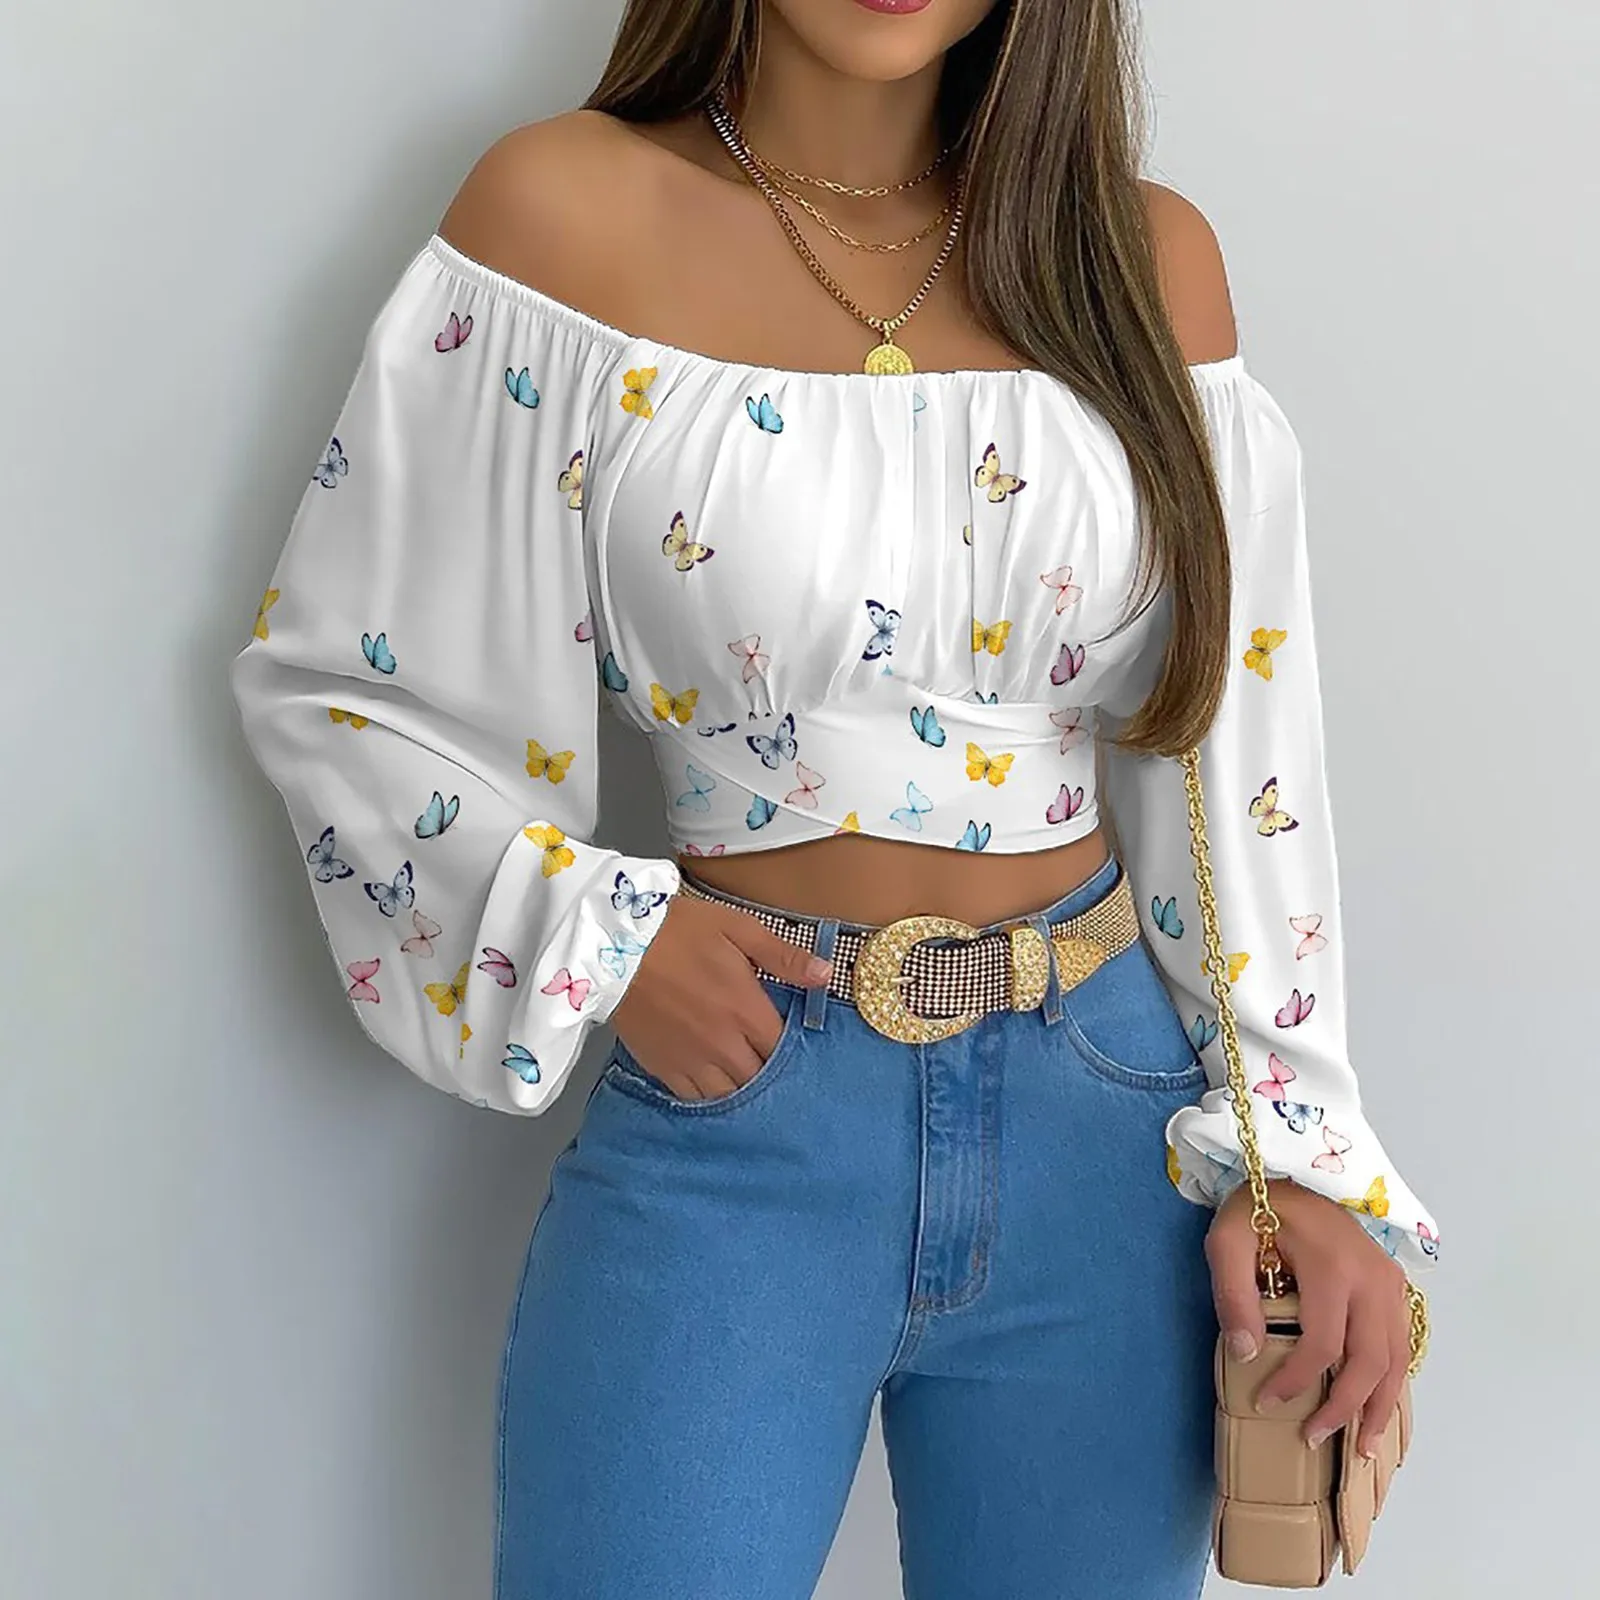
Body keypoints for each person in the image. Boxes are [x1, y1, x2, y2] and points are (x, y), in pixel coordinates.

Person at [230, 2, 1440, 1595]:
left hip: (1110, 1126)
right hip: (746, 1109)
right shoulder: (566, 214)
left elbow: (1233, 750)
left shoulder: (1144, 259)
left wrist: (1302, 1154)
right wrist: (605, 935)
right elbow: (347, 684)